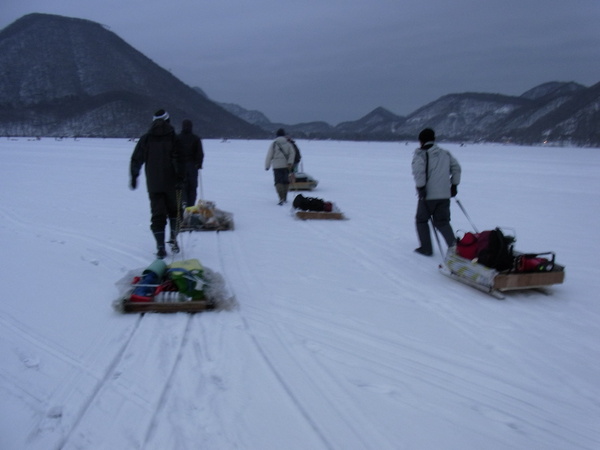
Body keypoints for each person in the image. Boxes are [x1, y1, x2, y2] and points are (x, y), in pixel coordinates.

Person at [130, 109, 183, 259]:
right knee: (175, 212)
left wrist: (134, 176)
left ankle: (160, 248)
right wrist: (180, 178)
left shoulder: (145, 139)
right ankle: (173, 239)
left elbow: (136, 159)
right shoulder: (174, 138)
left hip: (154, 184)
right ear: (168, 120)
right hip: (172, 183)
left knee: (157, 215)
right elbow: (179, 160)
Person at [411, 128, 461, 256]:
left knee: (421, 220)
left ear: (421, 141)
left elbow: (418, 172)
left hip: (428, 195)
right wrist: (454, 185)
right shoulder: (445, 153)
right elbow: (456, 168)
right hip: (445, 194)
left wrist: (421, 188)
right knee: (442, 222)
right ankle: (455, 248)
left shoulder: (420, 154)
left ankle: (426, 248)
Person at [265, 128, 295, 205]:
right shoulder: (288, 144)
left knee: (278, 182)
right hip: (286, 166)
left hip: (276, 166)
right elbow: (292, 153)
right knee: (285, 182)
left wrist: (267, 166)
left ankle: (280, 198)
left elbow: (269, 155)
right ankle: (285, 197)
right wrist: (290, 162)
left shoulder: (274, 144)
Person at [178, 119, 204, 207]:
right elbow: (200, 153)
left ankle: (183, 202)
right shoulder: (196, 138)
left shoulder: (177, 138)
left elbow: (173, 152)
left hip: (180, 166)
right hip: (192, 166)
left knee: (182, 186)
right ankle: (191, 205)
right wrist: (199, 163)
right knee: (192, 187)